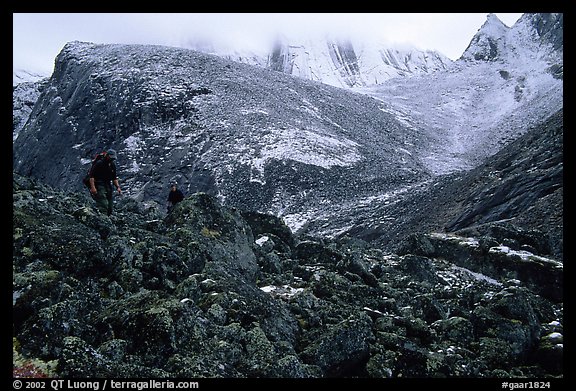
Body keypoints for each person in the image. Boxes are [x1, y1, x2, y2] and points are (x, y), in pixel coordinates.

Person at [89, 149, 121, 215]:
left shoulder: (112, 165)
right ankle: (102, 219)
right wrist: (93, 187)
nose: (112, 159)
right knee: (103, 204)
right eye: (111, 157)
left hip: (108, 185)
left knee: (110, 206)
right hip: (99, 184)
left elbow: (114, 178)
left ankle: (107, 217)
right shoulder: (99, 163)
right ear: (107, 155)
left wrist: (118, 187)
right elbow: (91, 176)